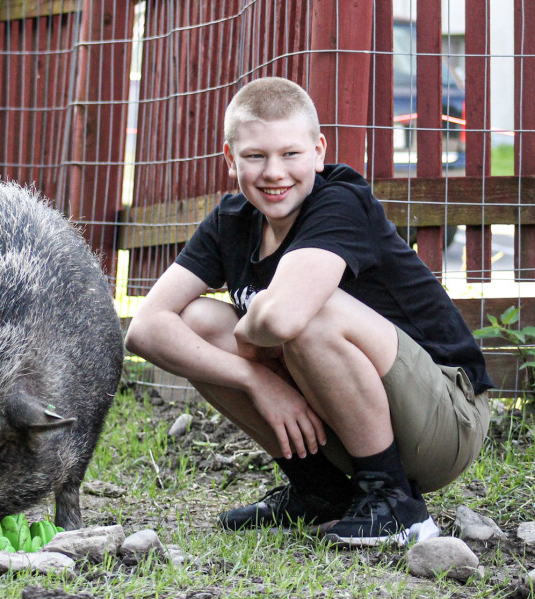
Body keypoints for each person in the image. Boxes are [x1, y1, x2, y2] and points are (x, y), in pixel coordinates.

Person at [124, 76, 492, 547]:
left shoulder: (339, 201)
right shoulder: (231, 222)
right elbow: (146, 329)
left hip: (445, 419)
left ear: (318, 152)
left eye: (290, 154)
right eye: (255, 156)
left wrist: (249, 342)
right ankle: (321, 493)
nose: (274, 172)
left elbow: (282, 320)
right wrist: (255, 379)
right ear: (230, 158)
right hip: (354, 414)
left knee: (311, 312)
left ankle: (395, 503)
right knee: (195, 323)